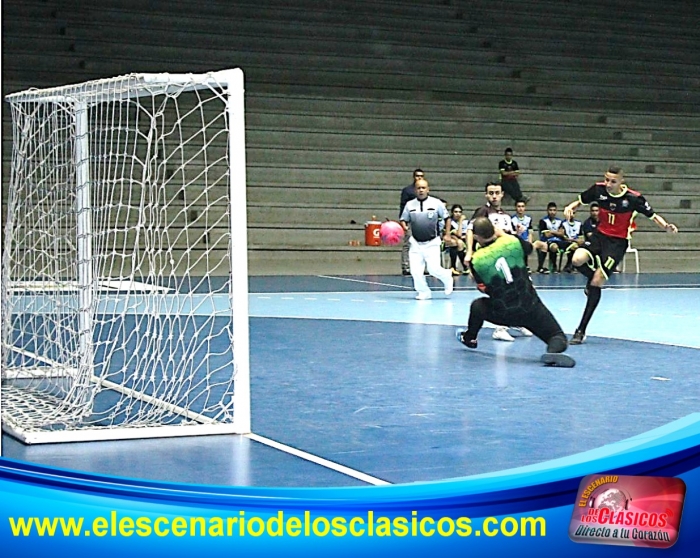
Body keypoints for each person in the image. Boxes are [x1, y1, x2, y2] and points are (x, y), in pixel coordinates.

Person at [563, 166, 679, 344]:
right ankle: (591, 281)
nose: (608, 184)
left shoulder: (633, 199)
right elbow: (581, 200)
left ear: (621, 182)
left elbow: (653, 215)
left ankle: (581, 330)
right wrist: (571, 206)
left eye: (613, 181)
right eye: (607, 179)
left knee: (598, 281)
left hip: (617, 243)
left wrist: (666, 226)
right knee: (577, 259)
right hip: (599, 236)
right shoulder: (599, 190)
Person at [455, 217, 574, 367]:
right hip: (531, 306)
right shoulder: (512, 242)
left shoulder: (477, 260)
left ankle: (470, 338)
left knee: (478, 306)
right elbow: (529, 249)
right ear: (494, 229)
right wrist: (505, 235)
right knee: (557, 336)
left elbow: (482, 287)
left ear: (477, 237)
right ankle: (553, 351)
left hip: (505, 312)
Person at [466, 182, 532, 341]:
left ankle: (519, 320)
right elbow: (470, 230)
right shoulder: (483, 211)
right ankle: (500, 329)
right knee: (502, 290)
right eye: (491, 193)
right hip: (492, 260)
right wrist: (469, 252)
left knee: (522, 287)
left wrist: (516, 233)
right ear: (486, 195)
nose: (494, 196)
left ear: (502, 194)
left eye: (497, 192)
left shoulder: (506, 215)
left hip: (507, 259)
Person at [400, 178, 454, 300]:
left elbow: (447, 218)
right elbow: (404, 219)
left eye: (423, 188)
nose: (421, 190)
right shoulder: (409, 205)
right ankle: (424, 292)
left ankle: (446, 276)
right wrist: (404, 226)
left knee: (433, 269)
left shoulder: (437, 203)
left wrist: (447, 234)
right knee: (415, 271)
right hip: (415, 243)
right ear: (415, 190)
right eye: (418, 188)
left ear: (428, 189)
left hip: (432, 242)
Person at [399, 169, 424, 275]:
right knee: (408, 244)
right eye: (417, 176)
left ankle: (421, 267)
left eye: (421, 176)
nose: (419, 178)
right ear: (414, 177)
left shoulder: (424, 190)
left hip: (423, 221)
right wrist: (403, 221)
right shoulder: (407, 191)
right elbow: (403, 206)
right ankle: (406, 266)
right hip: (410, 221)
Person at [533, 202, 566, 274]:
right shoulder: (543, 221)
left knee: (573, 246)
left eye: (554, 210)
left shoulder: (559, 221)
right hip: (547, 242)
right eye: (550, 210)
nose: (552, 212)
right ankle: (552, 266)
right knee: (554, 246)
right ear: (547, 211)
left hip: (559, 241)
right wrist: (557, 232)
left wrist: (552, 232)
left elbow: (562, 234)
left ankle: (569, 267)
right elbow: (547, 235)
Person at [443, 204, 468, 275]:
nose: (458, 214)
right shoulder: (450, 222)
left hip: (462, 241)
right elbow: (459, 234)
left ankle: (465, 268)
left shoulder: (465, 222)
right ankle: (454, 267)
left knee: (460, 242)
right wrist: (460, 222)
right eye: (456, 212)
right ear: (452, 213)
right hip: (448, 242)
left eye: (460, 212)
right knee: (457, 243)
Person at [511, 200, 533, 270]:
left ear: (525, 208)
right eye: (519, 206)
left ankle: (526, 265)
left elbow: (530, 231)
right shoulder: (512, 219)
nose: (520, 208)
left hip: (525, 240)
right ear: (516, 208)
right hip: (516, 240)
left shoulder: (528, 219)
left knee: (526, 245)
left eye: (522, 206)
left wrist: (530, 242)